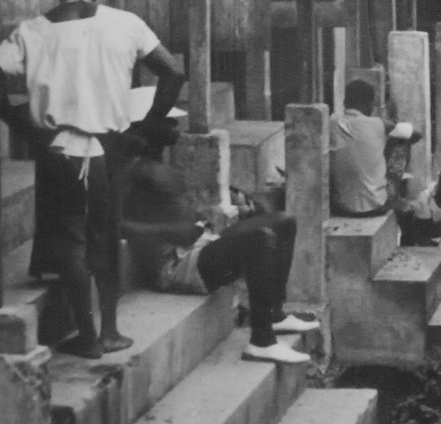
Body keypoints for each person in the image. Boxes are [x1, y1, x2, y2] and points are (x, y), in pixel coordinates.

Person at [0, 0, 187, 359]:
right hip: (107, 148)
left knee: (69, 240)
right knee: (104, 236)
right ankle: (109, 331)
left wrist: (23, 125)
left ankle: (86, 334)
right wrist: (149, 124)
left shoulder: (30, 32)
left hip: (58, 147)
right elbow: (173, 71)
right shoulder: (124, 23)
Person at [121, 132, 319, 365]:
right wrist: (172, 232)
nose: (173, 127)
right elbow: (118, 225)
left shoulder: (157, 166)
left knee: (284, 222)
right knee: (259, 239)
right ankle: (262, 341)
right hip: (175, 265)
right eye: (164, 122)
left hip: (199, 243)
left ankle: (274, 314)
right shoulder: (131, 173)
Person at [329, 80, 422, 219]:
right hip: (375, 205)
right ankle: (394, 195)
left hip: (341, 206)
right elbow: (417, 134)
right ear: (368, 103)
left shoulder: (333, 120)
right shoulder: (379, 124)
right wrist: (389, 138)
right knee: (402, 141)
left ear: (345, 101)